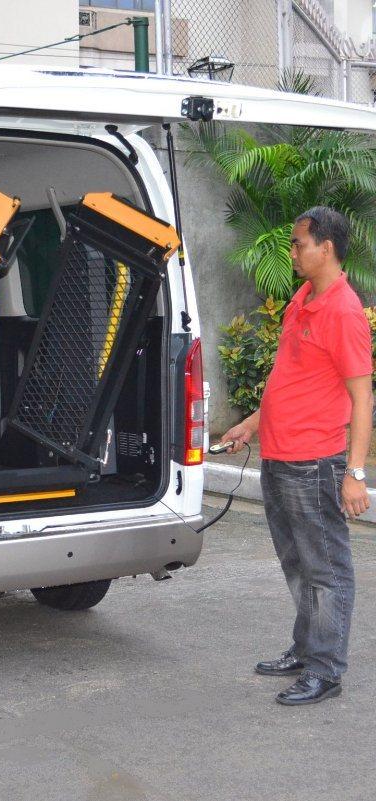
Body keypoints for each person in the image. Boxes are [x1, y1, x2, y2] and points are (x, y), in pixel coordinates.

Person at [219, 206, 373, 706]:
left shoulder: (345, 312)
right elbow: (287, 377)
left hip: (315, 462)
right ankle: (307, 649)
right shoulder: (302, 300)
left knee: (325, 568)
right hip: (280, 457)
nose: (292, 253)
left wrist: (354, 473)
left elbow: (362, 397)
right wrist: (250, 424)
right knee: (297, 562)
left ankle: (326, 670)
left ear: (326, 248)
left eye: (299, 244)